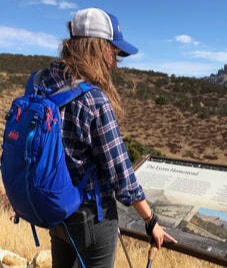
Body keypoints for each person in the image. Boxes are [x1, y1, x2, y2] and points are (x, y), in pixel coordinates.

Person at [32, 7, 176, 268]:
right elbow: (121, 175)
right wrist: (150, 220)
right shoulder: (93, 99)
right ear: (97, 48)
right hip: (92, 218)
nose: (115, 62)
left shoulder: (39, 82)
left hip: (54, 208)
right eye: (114, 52)